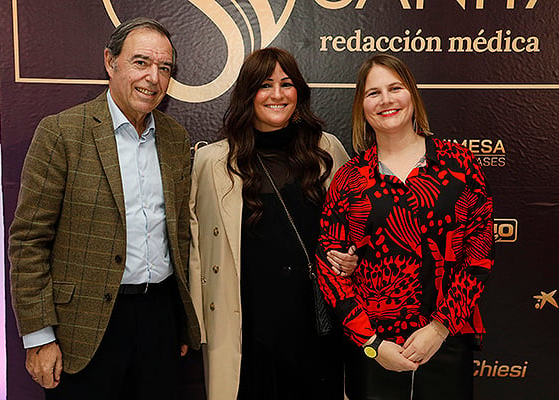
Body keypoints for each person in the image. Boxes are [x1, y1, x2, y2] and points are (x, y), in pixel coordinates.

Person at [9, 17, 200, 400]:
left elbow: (177, 236)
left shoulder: (175, 138)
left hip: (159, 319)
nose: (153, 78)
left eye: (164, 68)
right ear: (110, 62)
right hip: (83, 328)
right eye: (141, 62)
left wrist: (179, 322)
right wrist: (39, 336)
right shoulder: (62, 133)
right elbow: (29, 243)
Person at [316, 53, 494, 400]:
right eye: (373, 93)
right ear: (362, 106)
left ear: (411, 94)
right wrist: (370, 343)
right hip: (372, 352)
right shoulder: (349, 178)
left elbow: (480, 252)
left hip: (446, 340)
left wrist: (440, 328)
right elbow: (329, 266)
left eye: (395, 88)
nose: (386, 100)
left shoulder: (459, 164)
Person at [188, 47, 356, 399]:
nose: (277, 95)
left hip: (317, 327)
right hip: (245, 331)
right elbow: (196, 251)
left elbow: (356, 228)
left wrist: (352, 256)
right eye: (265, 85)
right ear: (248, 94)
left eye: (286, 83)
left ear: (299, 92)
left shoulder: (327, 151)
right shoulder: (211, 161)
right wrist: (196, 328)